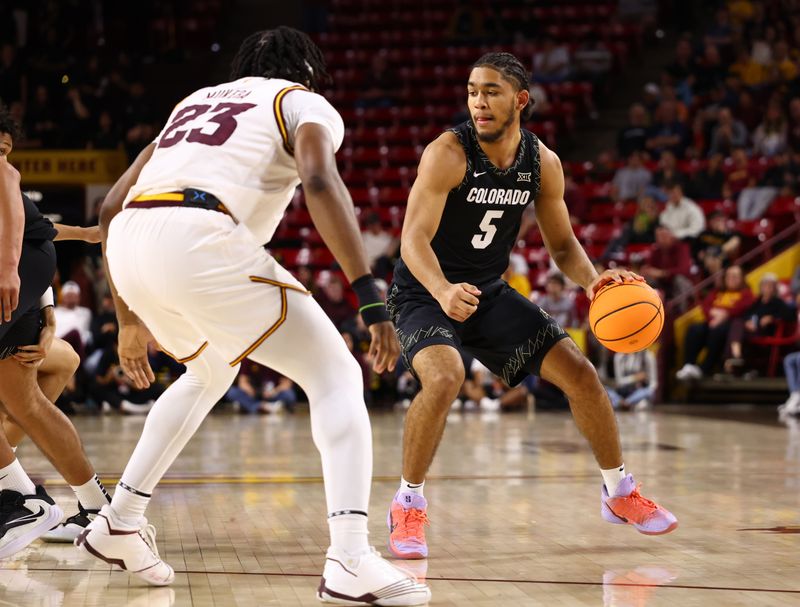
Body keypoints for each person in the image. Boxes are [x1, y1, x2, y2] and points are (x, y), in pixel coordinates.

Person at [77, 27, 430, 605]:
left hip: (130, 241)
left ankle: (119, 520)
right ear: (307, 72)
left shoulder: (192, 101)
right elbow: (319, 179)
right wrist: (370, 296)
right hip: (198, 236)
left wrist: (130, 318)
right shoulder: (300, 100)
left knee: (209, 372)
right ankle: (349, 558)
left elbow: (111, 204)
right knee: (337, 375)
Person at [385, 52, 677, 561]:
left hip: (487, 291)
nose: (479, 101)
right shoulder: (448, 153)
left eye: (491, 91)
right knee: (446, 375)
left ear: (520, 100)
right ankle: (407, 503)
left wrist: (593, 282)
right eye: (473, 90)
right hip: (424, 291)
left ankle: (619, 492)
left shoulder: (542, 163)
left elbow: (562, 246)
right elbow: (412, 239)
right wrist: (442, 291)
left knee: (582, 374)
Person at [0, 107, 111, 559]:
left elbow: (10, 194)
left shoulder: (4, 176)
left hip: (14, 285)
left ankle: (21, 499)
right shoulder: (17, 211)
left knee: (54, 369)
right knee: (27, 403)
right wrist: (86, 233)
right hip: (24, 290)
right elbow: (37, 232)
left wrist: (38, 306)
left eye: (6, 149)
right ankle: (97, 506)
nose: (2, 157)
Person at [676, 265, 754, 380]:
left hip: (731, 325)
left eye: (735, 276)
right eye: (729, 275)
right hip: (712, 322)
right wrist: (714, 314)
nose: (731, 278)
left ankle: (704, 368)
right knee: (695, 329)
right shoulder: (717, 291)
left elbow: (742, 308)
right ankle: (689, 365)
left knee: (718, 331)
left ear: (742, 278)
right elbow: (705, 306)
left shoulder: (746, 293)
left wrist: (724, 315)